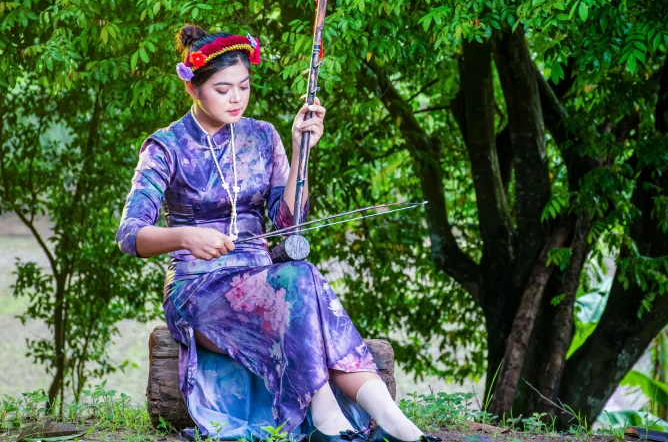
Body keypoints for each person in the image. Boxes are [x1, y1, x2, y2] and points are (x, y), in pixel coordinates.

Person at [116, 24, 439, 442]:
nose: (236, 98)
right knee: (298, 280)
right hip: (198, 289)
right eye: (222, 88)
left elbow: (287, 225)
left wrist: (302, 151)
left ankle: (396, 424)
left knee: (298, 275)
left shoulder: (264, 136)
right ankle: (332, 421)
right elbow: (130, 234)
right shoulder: (166, 146)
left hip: (266, 282)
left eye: (244, 87)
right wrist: (186, 237)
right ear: (193, 89)